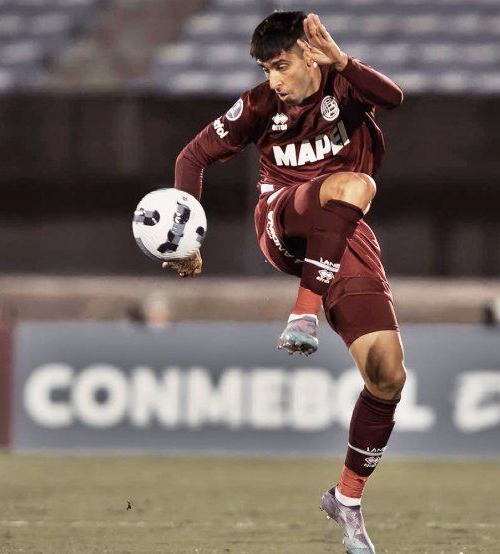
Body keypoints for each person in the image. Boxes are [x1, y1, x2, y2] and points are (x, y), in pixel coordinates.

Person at [166, 11, 406, 553]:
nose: (273, 78)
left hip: (344, 233)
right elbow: (193, 156)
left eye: (280, 65)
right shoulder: (259, 106)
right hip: (283, 218)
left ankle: (345, 499)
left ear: (309, 56)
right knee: (353, 183)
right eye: (265, 68)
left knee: (388, 376)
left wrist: (343, 61)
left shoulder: (345, 84)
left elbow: (393, 98)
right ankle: (302, 312)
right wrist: (186, 238)